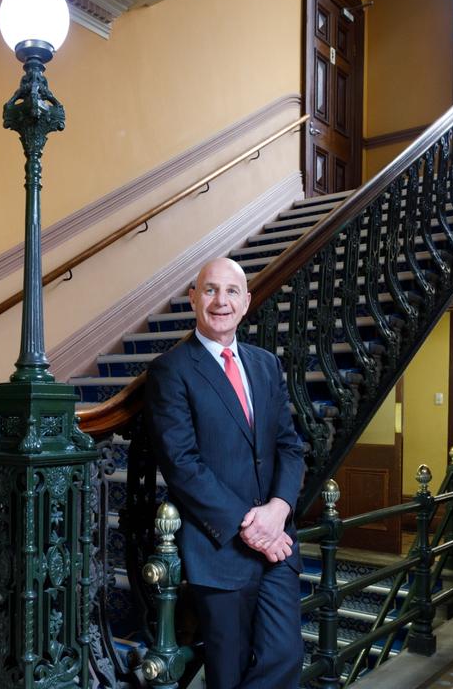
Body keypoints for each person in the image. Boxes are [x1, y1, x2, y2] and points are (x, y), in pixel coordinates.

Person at [144, 257, 306, 689]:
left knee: (285, 655)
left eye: (232, 291)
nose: (221, 301)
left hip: (276, 544)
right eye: (211, 290)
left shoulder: (265, 365)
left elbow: (289, 446)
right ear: (194, 298)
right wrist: (248, 525)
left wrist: (278, 508)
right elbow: (182, 465)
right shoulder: (171, 370)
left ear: (247, 302)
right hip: (219, 549)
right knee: (227, 672)